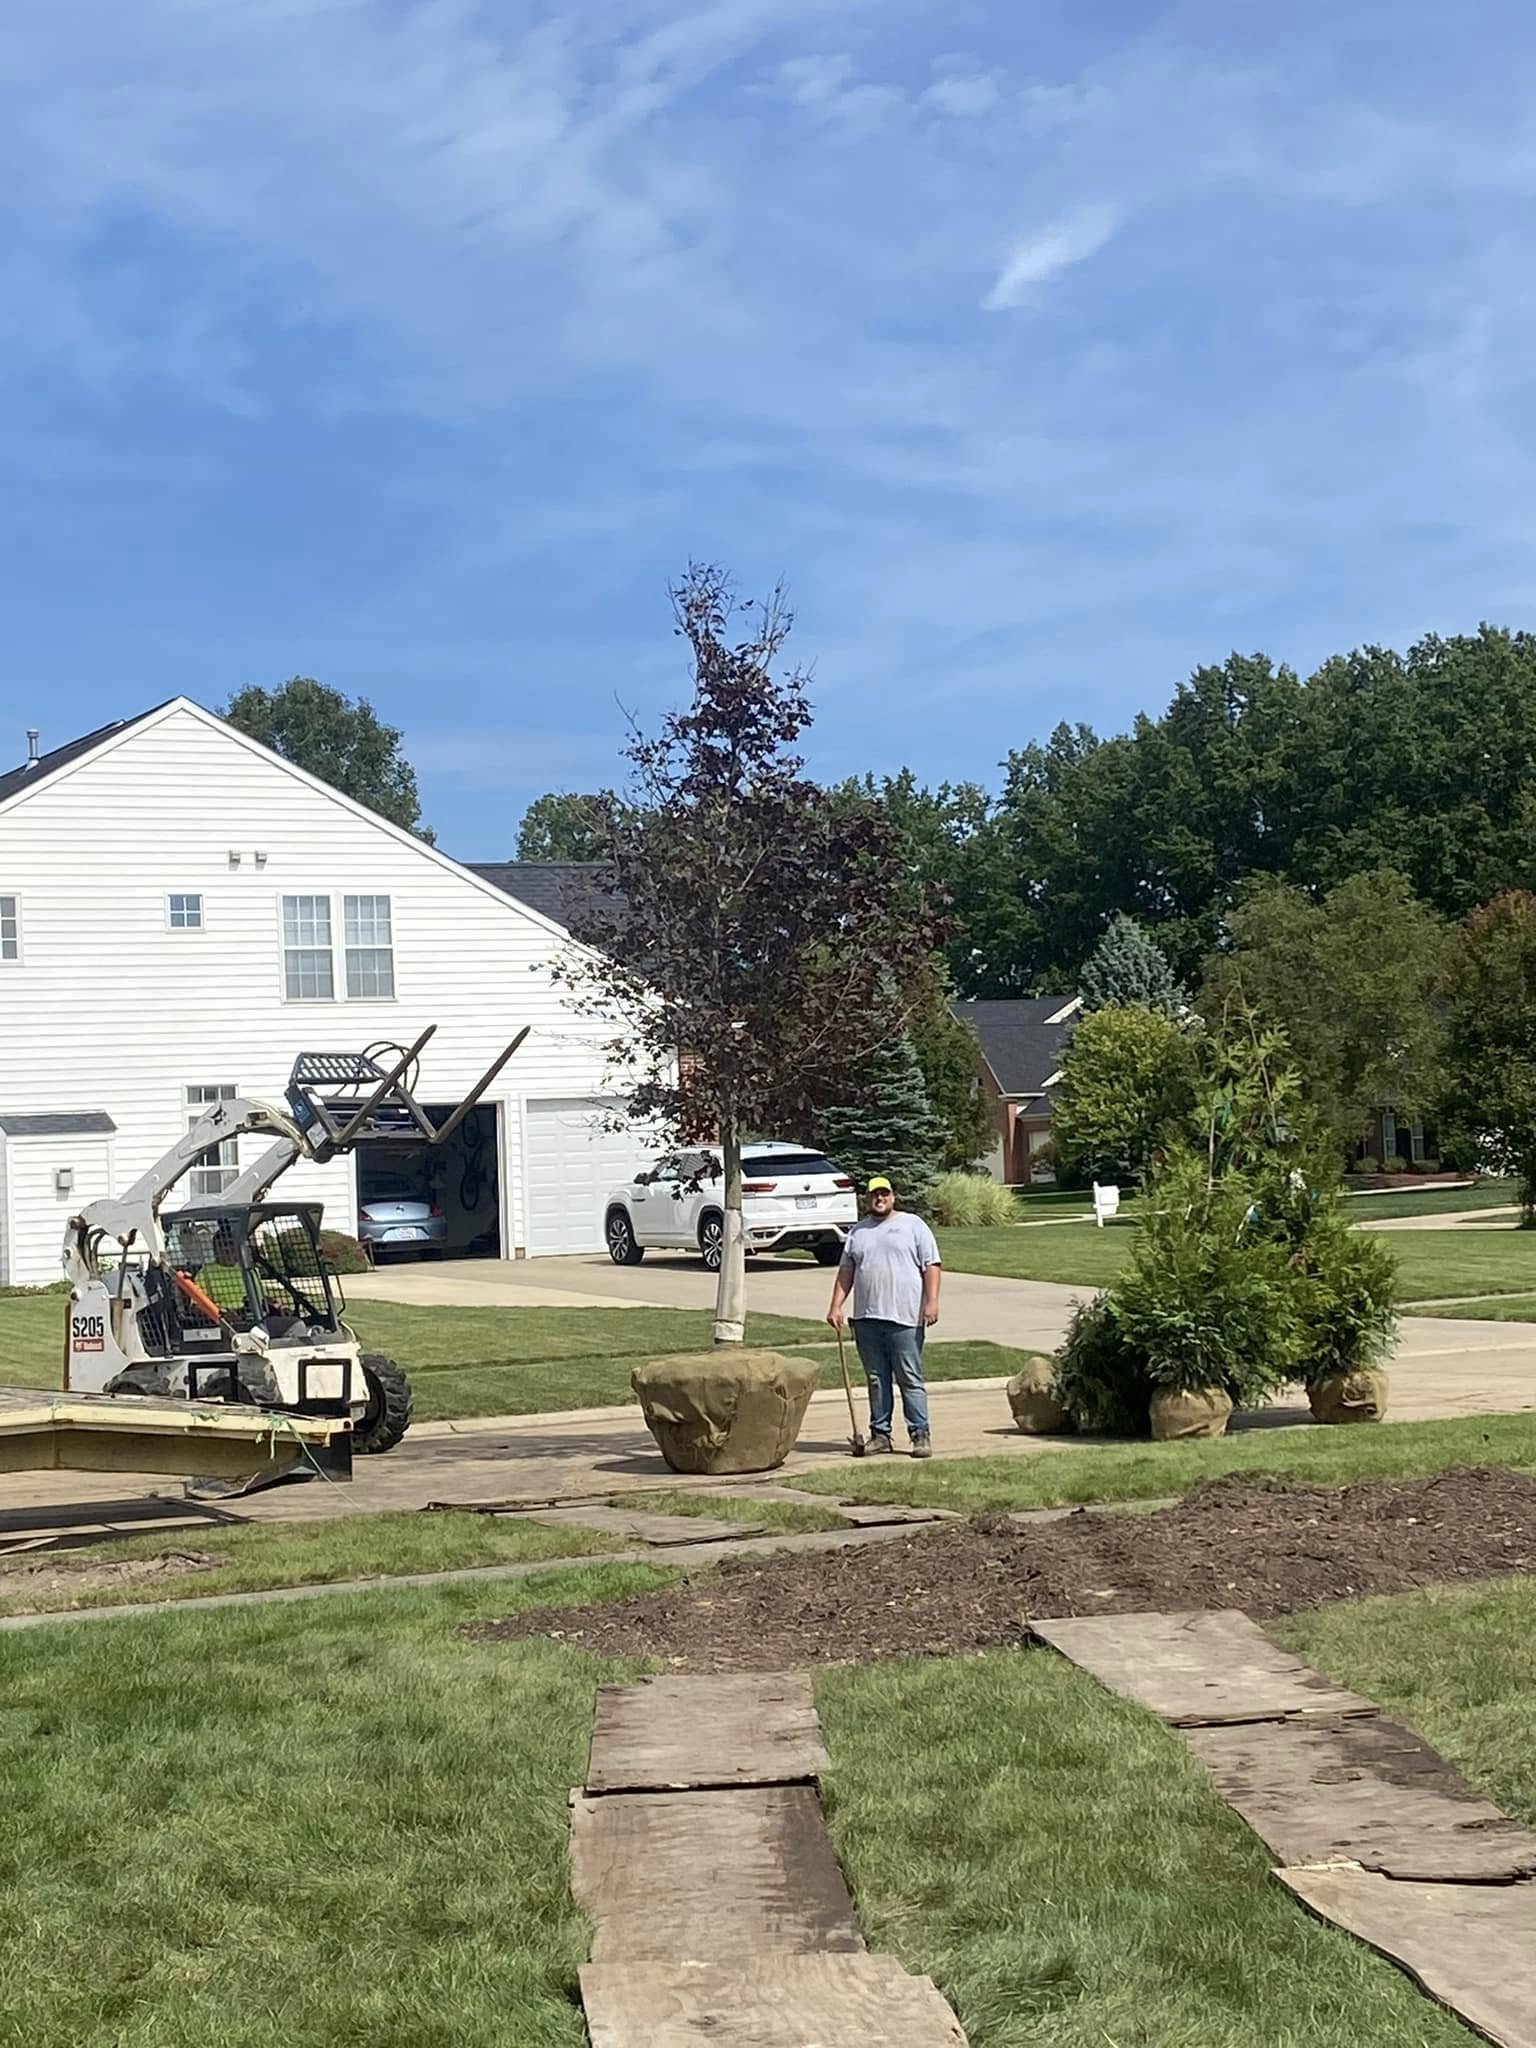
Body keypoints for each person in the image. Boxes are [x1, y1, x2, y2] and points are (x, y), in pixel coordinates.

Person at [826, 1175, 942, 1458]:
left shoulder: (913, 1225)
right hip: (867, 1318)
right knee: (876, 1379)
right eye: (874, 1195)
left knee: (909, 1377)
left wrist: (932, 1302)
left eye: (884, 1194)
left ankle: (920, 1434)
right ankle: (880, 1435)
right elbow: (846, 1272)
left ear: (893, 1196)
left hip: (905, 1317)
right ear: (867, 1199)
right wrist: (836, 1306)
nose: (880, 1199)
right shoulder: (858, 1232)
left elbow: (932, 1266)